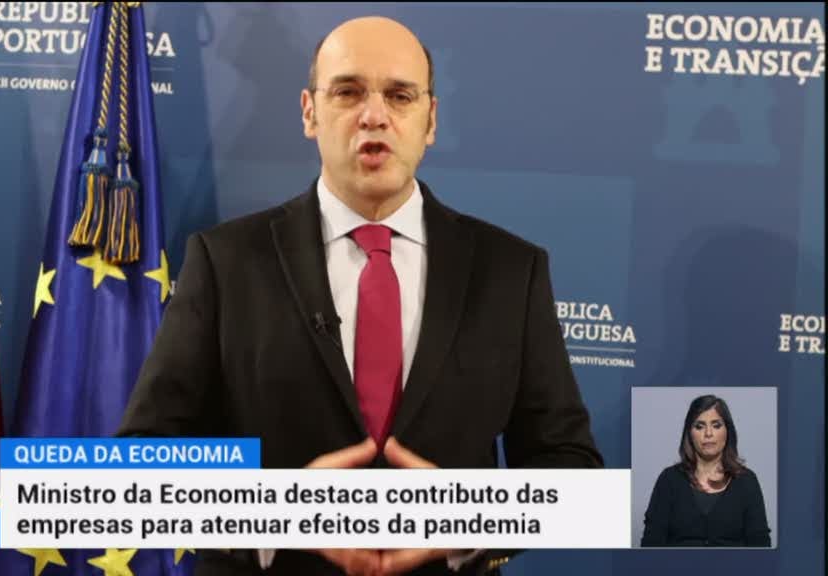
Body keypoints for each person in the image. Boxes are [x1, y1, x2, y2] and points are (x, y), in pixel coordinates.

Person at [119, 15, 603, 575]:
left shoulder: (511, 271)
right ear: (309, 112)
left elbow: (573, 471)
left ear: (430, 120)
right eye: (348, 92)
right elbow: (141, 464)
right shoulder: (224, 260)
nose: (374, 115)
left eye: (400, 95)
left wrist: (471, 518)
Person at [640, 395, 771, 547]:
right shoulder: (669, 480)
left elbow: (761, 546)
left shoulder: (747, 481)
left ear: (728, 431)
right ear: (689, 433)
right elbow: (651, 546)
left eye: (716, 425)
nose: (708, 433)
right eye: (699, 426)